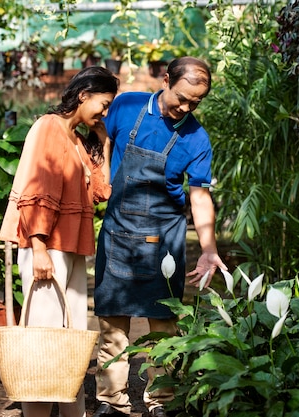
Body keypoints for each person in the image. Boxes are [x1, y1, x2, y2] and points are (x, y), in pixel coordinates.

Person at [93, 56, 227, 417]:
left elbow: (199, 195)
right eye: (181, 98)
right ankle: (112, 401)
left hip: (163, 236)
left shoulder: (196, 137)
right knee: (112, 325)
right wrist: (103, 170)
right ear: (166, 79)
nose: (184, 108)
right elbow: (102, 134)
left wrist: (208, 247)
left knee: (164, 328)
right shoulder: (127, 105)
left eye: (194, 103)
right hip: (119, 232)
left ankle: (160, 401)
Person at [0, 66, 119, 417]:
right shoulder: (48, 127)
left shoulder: (78, 141)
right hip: (46, 247)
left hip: (70, 249)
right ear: (84, 95)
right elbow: (36, 188)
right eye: (104, 104)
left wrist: (104, 139)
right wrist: (37, 248)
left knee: (71, 339)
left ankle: (72, 413)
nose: (105, 112)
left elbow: (101, 191)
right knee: (44, 341)